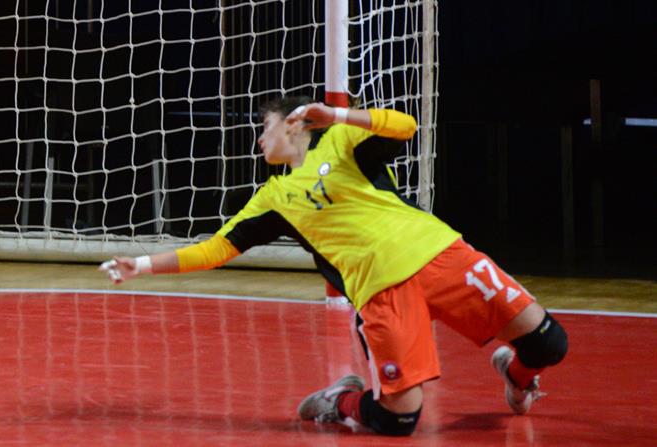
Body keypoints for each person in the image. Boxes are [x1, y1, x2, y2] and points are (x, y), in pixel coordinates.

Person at [99, 96, 568, 436]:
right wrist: (140, 264)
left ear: (295, 124)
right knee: (397, 421)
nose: (259, 139)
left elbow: (405, 126)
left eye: (264, 126)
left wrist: (337, 113)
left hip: (441, 253)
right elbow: (216, 250)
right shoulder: (274, 198)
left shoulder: (342, 142)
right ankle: (338, 400)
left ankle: (517, 377)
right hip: (382, 291)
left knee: (548, 343)